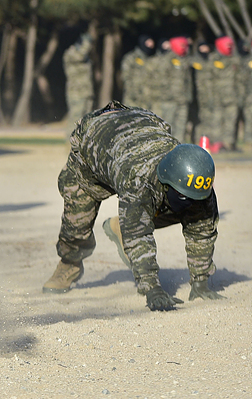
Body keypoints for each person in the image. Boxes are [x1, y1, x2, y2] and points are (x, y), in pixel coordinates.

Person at [42, 101, 223, 311]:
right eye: (183, 196)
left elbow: (202, 231)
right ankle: (69, 263)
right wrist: (152, 287)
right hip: (94, 146)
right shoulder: (138, 180)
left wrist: (200, 280)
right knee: (77, 223)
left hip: (140, 127)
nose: (191, 201)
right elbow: (138, 236)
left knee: (191, 212)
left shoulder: (196, 180)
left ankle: (122, 225)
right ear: (165, 181)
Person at [63, 33, 94, 131]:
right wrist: (86, 43)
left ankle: (82, 144)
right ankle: (70, 144)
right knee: (75, 119)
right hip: (76, 92)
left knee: (86, 121)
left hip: (86, 92)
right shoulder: (71, 53)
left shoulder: (85, 56)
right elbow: (80, 56)